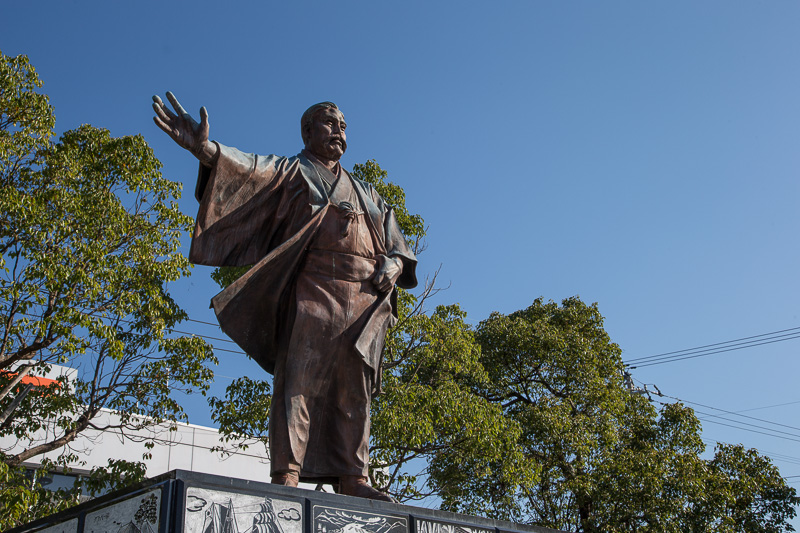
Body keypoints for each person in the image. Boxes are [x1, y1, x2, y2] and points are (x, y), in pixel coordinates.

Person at [152, 93, 417, 502]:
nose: (339, 132)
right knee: (298, 382)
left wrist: (395, 265)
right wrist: (206, 150)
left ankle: (354, 475)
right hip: (314, 289)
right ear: (307, 132)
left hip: (365, 298)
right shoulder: (293, 172)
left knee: (355, 389)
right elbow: (253, 169)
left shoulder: (366, 191)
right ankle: (287, 474)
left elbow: (399, 244)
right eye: (329, 123)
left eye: (343, 125)